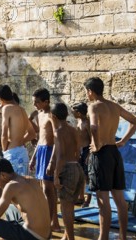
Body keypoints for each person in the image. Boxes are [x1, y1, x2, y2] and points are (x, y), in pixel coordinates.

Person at [84, 77, 136, 240]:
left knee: (103, 201)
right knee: (120, 199)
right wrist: (122, 141)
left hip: (101, 154)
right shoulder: (114, 106)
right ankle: (122, 237)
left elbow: (94, 126)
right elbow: (135, 122)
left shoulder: (94, 106)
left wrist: (96, 144)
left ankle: (103, 238)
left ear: (90, 91)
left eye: (86, 92)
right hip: (114, 153)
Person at [29, 88, 61, 233]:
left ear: (46, 101)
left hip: (49, 151)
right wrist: (33, 157)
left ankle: (54, 222)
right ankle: (49, 220)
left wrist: (52, 160)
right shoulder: (40, 114)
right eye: (33, 102)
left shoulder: (51, 115)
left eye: (37, 102)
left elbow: (57, 137)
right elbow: (40, 137)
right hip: (41, 150)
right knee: (44, 189)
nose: (35, 105)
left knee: (49, 189)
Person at [51, 102, 84, 240]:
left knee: (65, 209)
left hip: (67, 169)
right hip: (77, 168)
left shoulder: (59, 132)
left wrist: (56, 175)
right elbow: (79, 150)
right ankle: (67, 236)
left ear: (53, 117)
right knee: (70, 206)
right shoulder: (74, 129)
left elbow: (61, 156)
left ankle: (70, 238)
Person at [0, 85, 36, 176]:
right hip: (23, 152)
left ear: (0, 98)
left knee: (11, 184)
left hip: (12, 153)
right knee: (23, 185)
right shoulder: (22, 110)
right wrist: (20, 141)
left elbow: (4, 134)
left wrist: (5, 151)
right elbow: (32, 134)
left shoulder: (7, 108)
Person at [72, 101, 91, 207]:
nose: (72, 114)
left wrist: (89, 154)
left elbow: (93, 139)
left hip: (86, 150)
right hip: (79, 150)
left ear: (79, 112)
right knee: (80, 175)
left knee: (87, 176)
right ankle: (80, 197)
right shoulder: (78, 122)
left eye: (74, 111)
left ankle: (88, 199)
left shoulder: (87, 123)